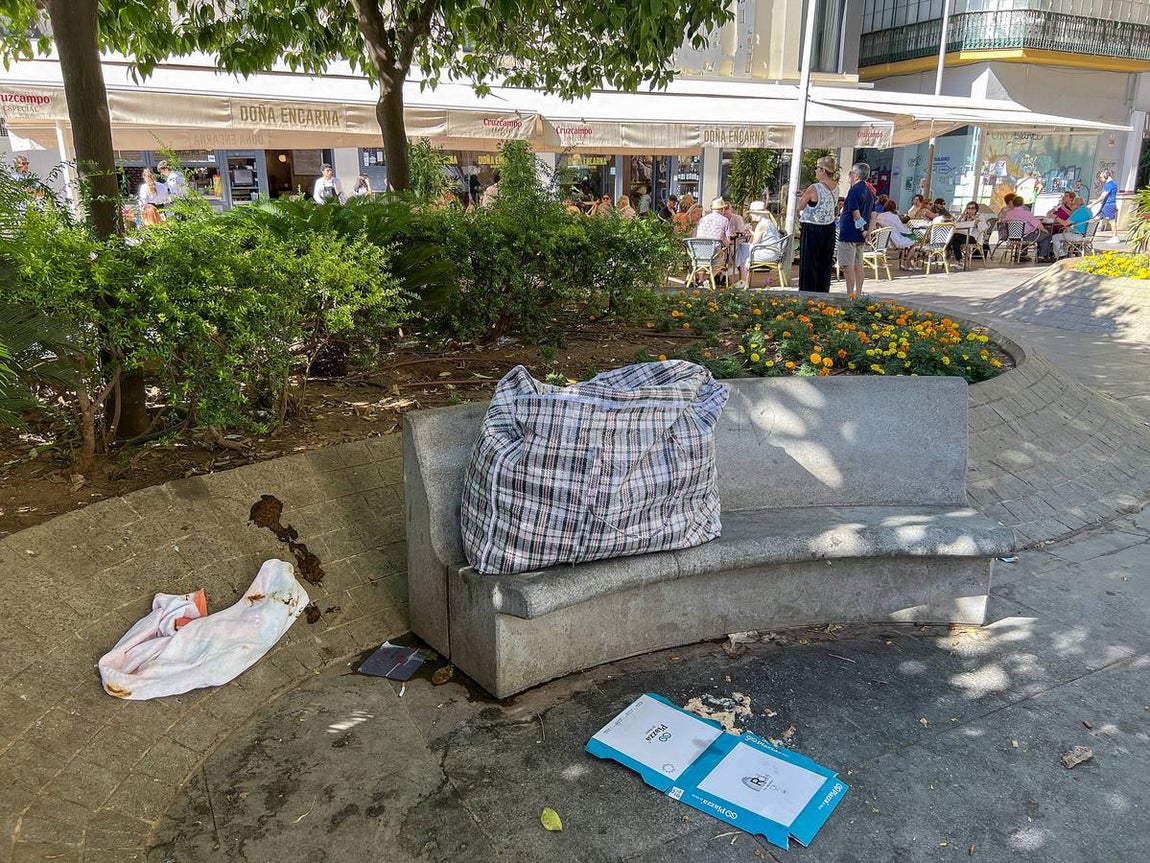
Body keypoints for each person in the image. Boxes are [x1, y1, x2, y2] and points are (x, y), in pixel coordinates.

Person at [795, 155, 839, 293]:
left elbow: (800, 207)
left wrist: (799, 197)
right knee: (824, 263)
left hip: (812, 227)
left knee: (809, 263)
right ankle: (822, 292)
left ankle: (808, 293)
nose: (815, 171)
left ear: (823, 171)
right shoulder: (836, 186)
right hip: (829, 227)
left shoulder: (814, 187)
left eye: (817, 168)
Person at [838, 162, 876, 299]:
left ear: (855, 175)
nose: (849, 176)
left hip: (849, 233)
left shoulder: (854, 190)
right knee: (858, 265)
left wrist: (862, 230)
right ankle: (858, 293)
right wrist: (868, 232)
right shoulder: (870, 192)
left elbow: (856, 213)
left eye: (850, 174)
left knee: (847, 266)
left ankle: (850, 295)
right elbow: (873, 215)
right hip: (860, 236)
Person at [694, 197, 733, 282]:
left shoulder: (702, 219)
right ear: (722, 209)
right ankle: (708, 278)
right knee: (722, 259)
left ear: (712, 209)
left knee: (702, 260)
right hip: (714, 252)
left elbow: (695, 235)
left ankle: (701, 280)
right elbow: (728, 241)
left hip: (698, 252)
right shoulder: (725, 220)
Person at [747, 199, 783, 264]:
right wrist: (751, 233)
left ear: (756, 213)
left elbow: (754, 243)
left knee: (743, 249)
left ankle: (742, 272)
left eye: (752, 213)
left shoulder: (761, 225)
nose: (751, 215)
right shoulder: (768, 222)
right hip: (774, 252)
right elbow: (764, 237)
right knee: (744, 248)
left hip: (768, 254)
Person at [1090, 169, 1120, 243]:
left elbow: (1103, 195)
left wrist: (1093, 204)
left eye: (1101, 177)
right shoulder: (1112, 183)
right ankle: (1088, 233)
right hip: (1106, 204)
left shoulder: (1110, 184)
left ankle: (1115, 237)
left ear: (1106, 176)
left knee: (1112, 221)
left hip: (1108, 204)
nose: (1100, 179)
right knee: (1096, 217)